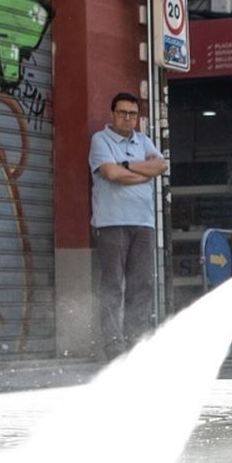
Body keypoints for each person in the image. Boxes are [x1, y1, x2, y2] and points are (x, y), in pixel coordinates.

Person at [90, 92, 167, 361]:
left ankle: (136, 343)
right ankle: (113, 347)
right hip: (112, 222)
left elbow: (160, 166)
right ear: (112, 114)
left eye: (132, 114)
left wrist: (127, 167)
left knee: (141, 284)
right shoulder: (100, 140)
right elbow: (111, 174)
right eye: (122, 112)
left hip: (143, 223)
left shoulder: (143, 140)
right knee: (112, 285)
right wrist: (138, 175)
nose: (127, 118)